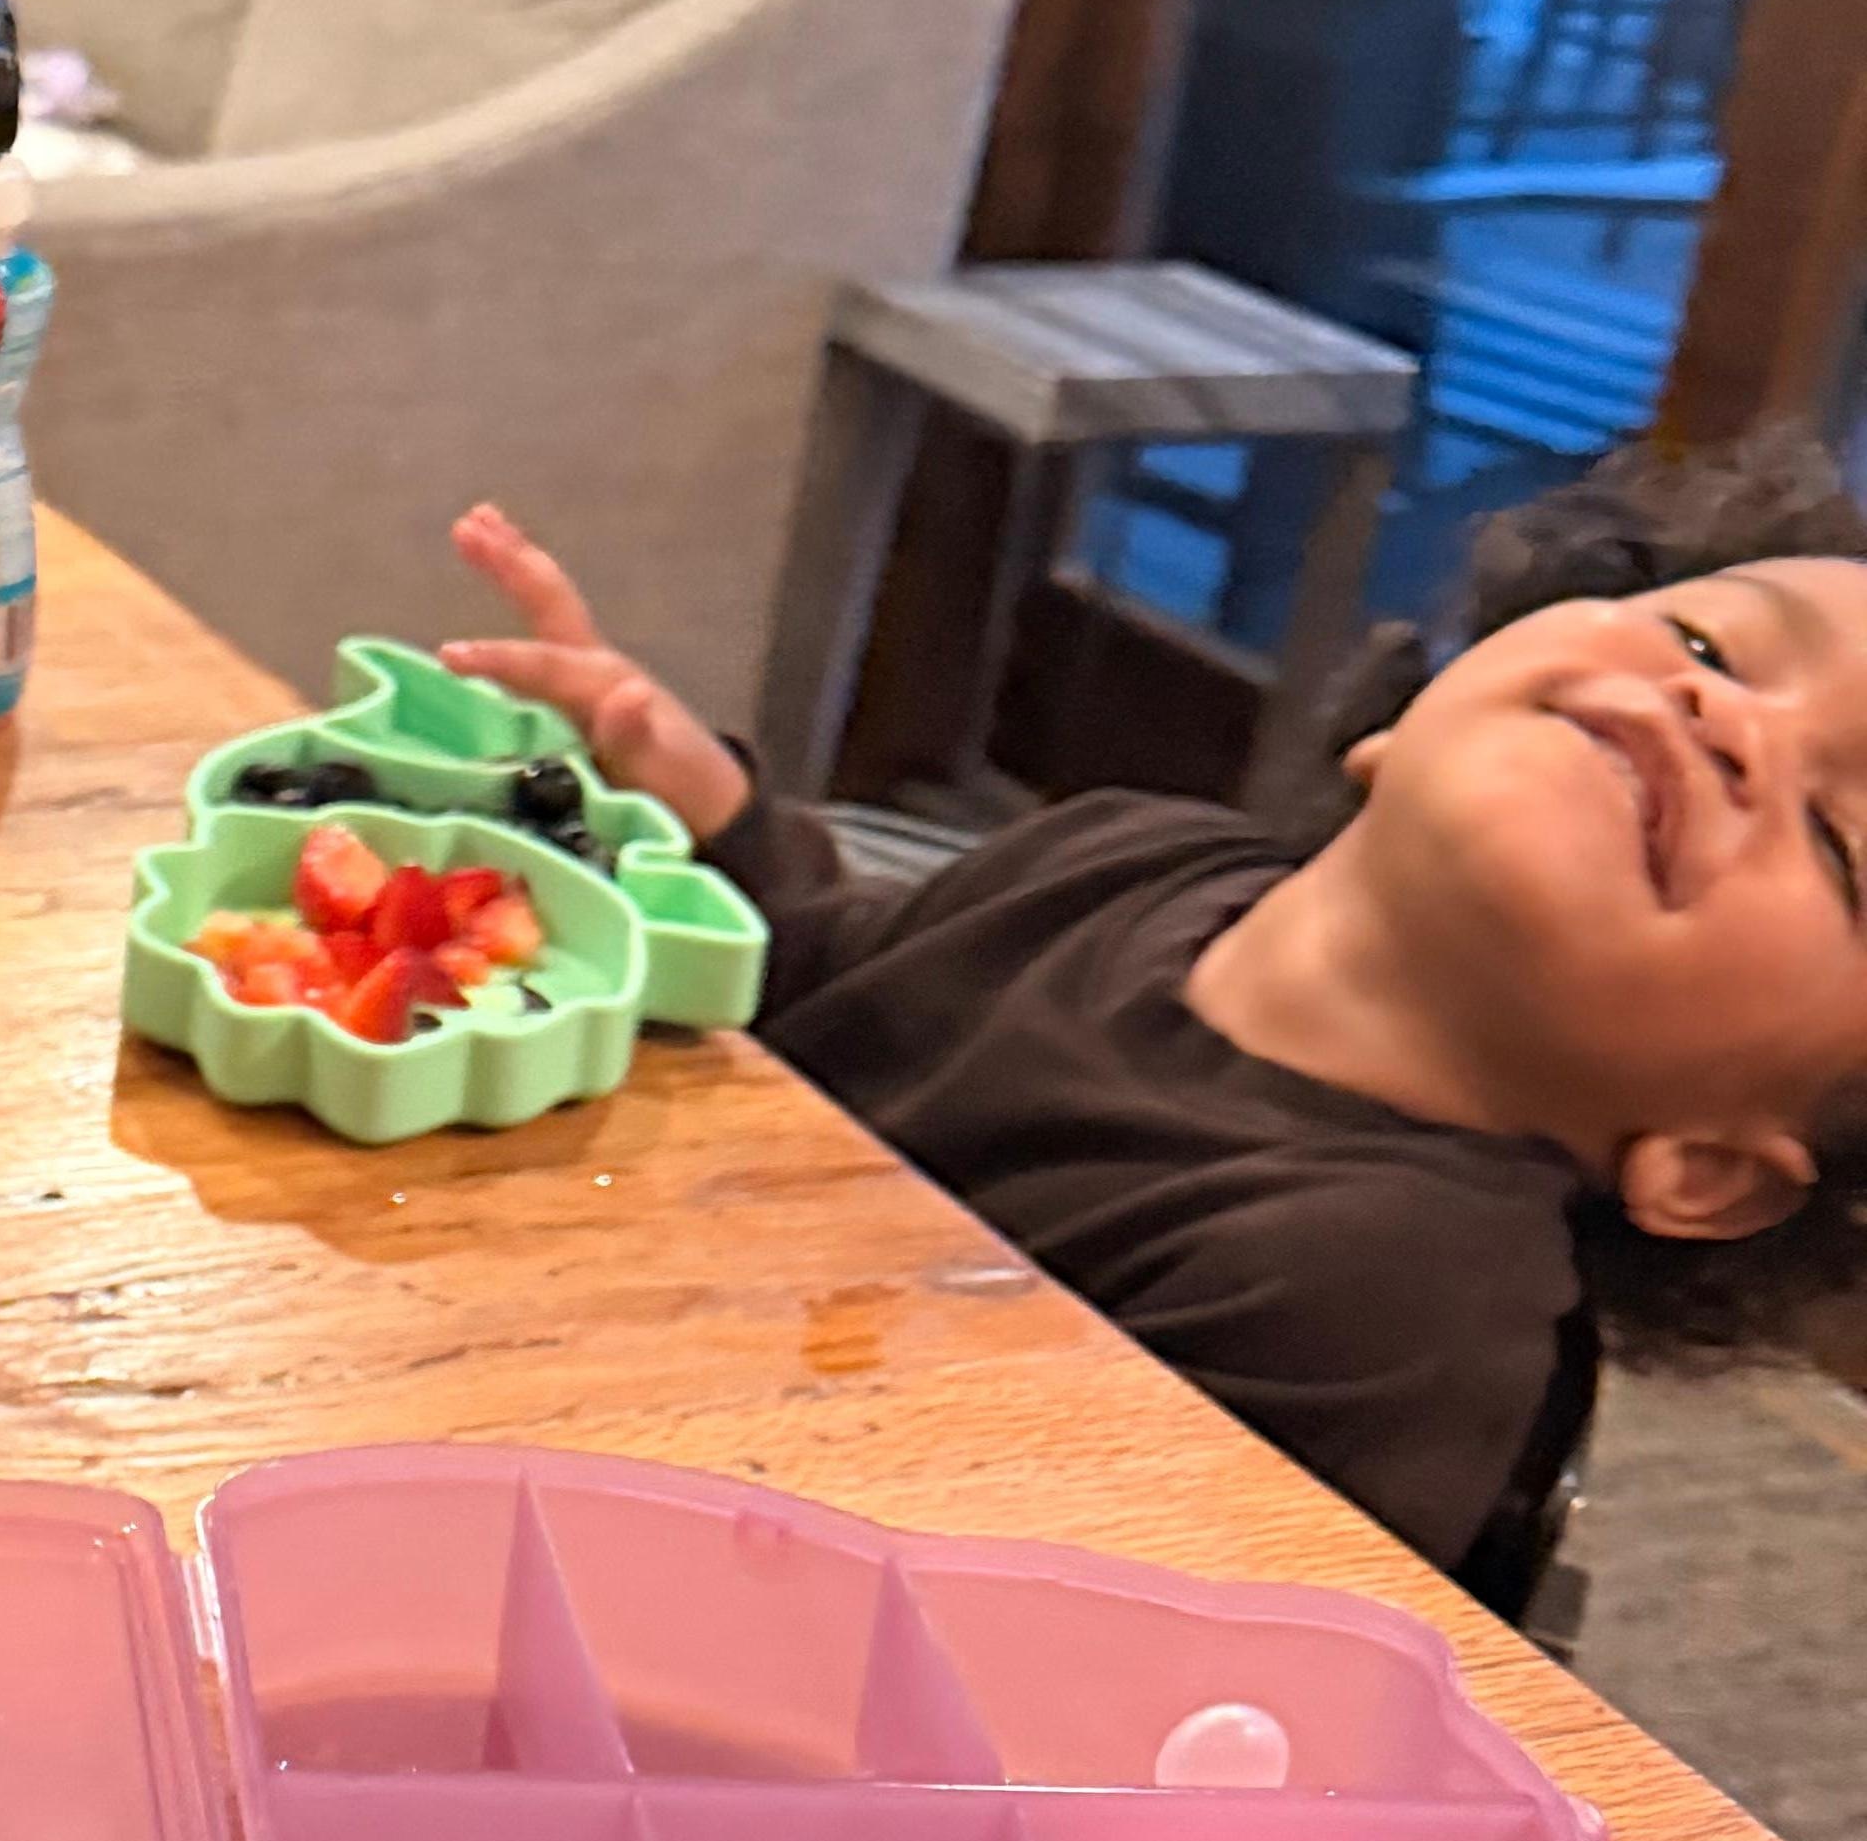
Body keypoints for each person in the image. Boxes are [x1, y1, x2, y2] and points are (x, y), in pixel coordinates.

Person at [433, 435, 1867, 1603]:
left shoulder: (1384, 1307)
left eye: (1838, 840)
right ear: (1406, 715)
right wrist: (712, 824)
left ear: (1717, 1166)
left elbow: (1002, 1667)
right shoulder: (1134, 852)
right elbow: (832, 991)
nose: (1722, 717)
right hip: (571, 1426)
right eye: (1715, 641)